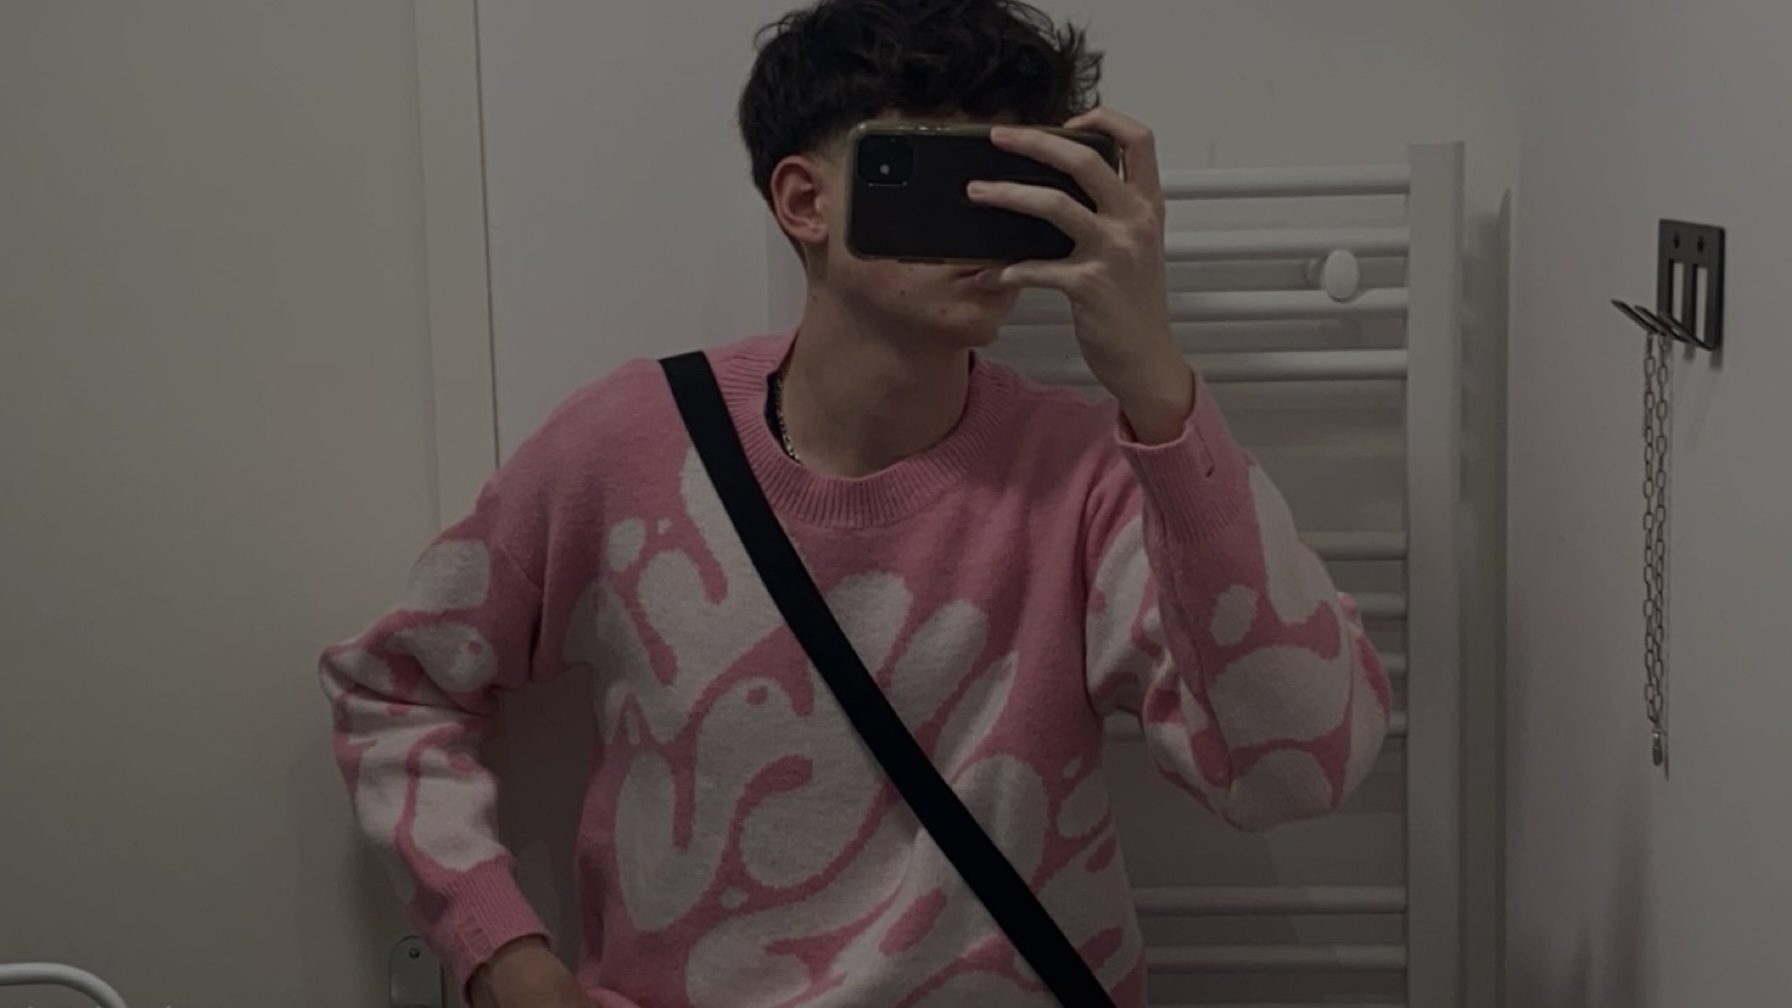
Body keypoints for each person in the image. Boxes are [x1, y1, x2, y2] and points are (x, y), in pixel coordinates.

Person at [317, 1, 1391, 1006]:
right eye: (945, 171)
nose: (993, 215)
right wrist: (503, 960)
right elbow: (395, 686)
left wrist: (1156, 382)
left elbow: (1295, 771)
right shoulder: (629, 447)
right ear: (805, 201)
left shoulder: (1090, 478)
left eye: (1019, 177)